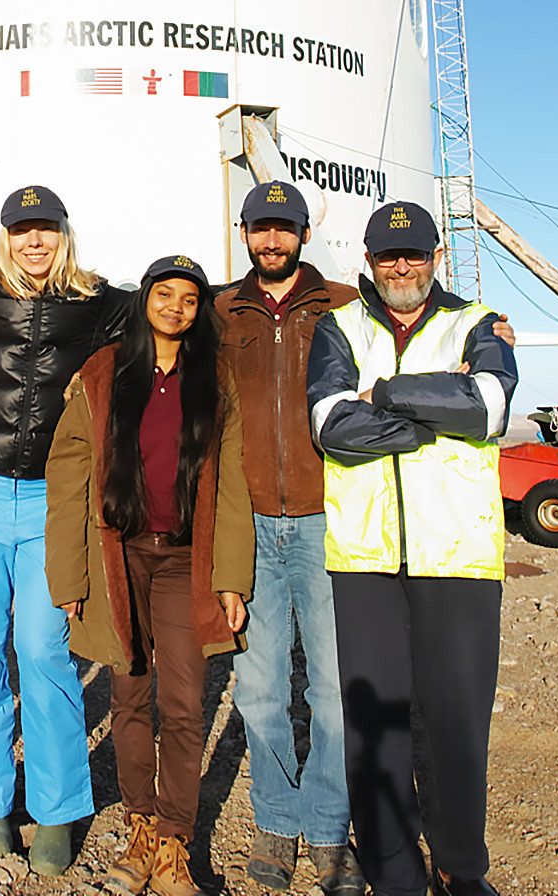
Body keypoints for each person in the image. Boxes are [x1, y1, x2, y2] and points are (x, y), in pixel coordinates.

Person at [306, 202, 518, 896]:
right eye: (388, 255)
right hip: (364, 558)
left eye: (415, 254)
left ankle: (462, 867)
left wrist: (389, 393)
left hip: (457, 556)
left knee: (457, 721)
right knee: (377, 725)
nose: (402, 266)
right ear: (367, 261)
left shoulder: (478, 323)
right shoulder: (337, 328)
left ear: (435, 258)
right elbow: (331, 423)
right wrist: (434, 419)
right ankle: (394, 870)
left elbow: (489, 407)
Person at [0, 186, 132, 874]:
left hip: (57, 498)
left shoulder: (102, 303)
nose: (34, 242)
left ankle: (56, 809)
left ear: (64, 233)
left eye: (45, 229)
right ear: (6, 238)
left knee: (47, 652)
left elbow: (187, 312)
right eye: (22, 231)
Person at [45, 255, 253, 896]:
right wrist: (69, 578)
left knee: (184, 704)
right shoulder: (104, 371)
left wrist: (231, 579)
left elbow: (233, 477)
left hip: (185, 559)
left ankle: (173, 845)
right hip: (120, 555)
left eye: (189, 300)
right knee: (129, 698)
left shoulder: (214, 377)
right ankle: (138, 829)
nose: (177, 308)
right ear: (145, 301)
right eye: (165, 295)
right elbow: (68, 470)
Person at [212, 181, 362, 896]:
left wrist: (487, 330)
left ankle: (330, 829)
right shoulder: (220, 311)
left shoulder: (344, 304)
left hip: (326, 518)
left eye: (285, 229)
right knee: (261, 687)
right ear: (243, 232)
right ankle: (276, 819)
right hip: (250, 524)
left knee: (333, 690)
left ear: (305, 232)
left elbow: (417, 327)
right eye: (260, 229)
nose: (272, 241)